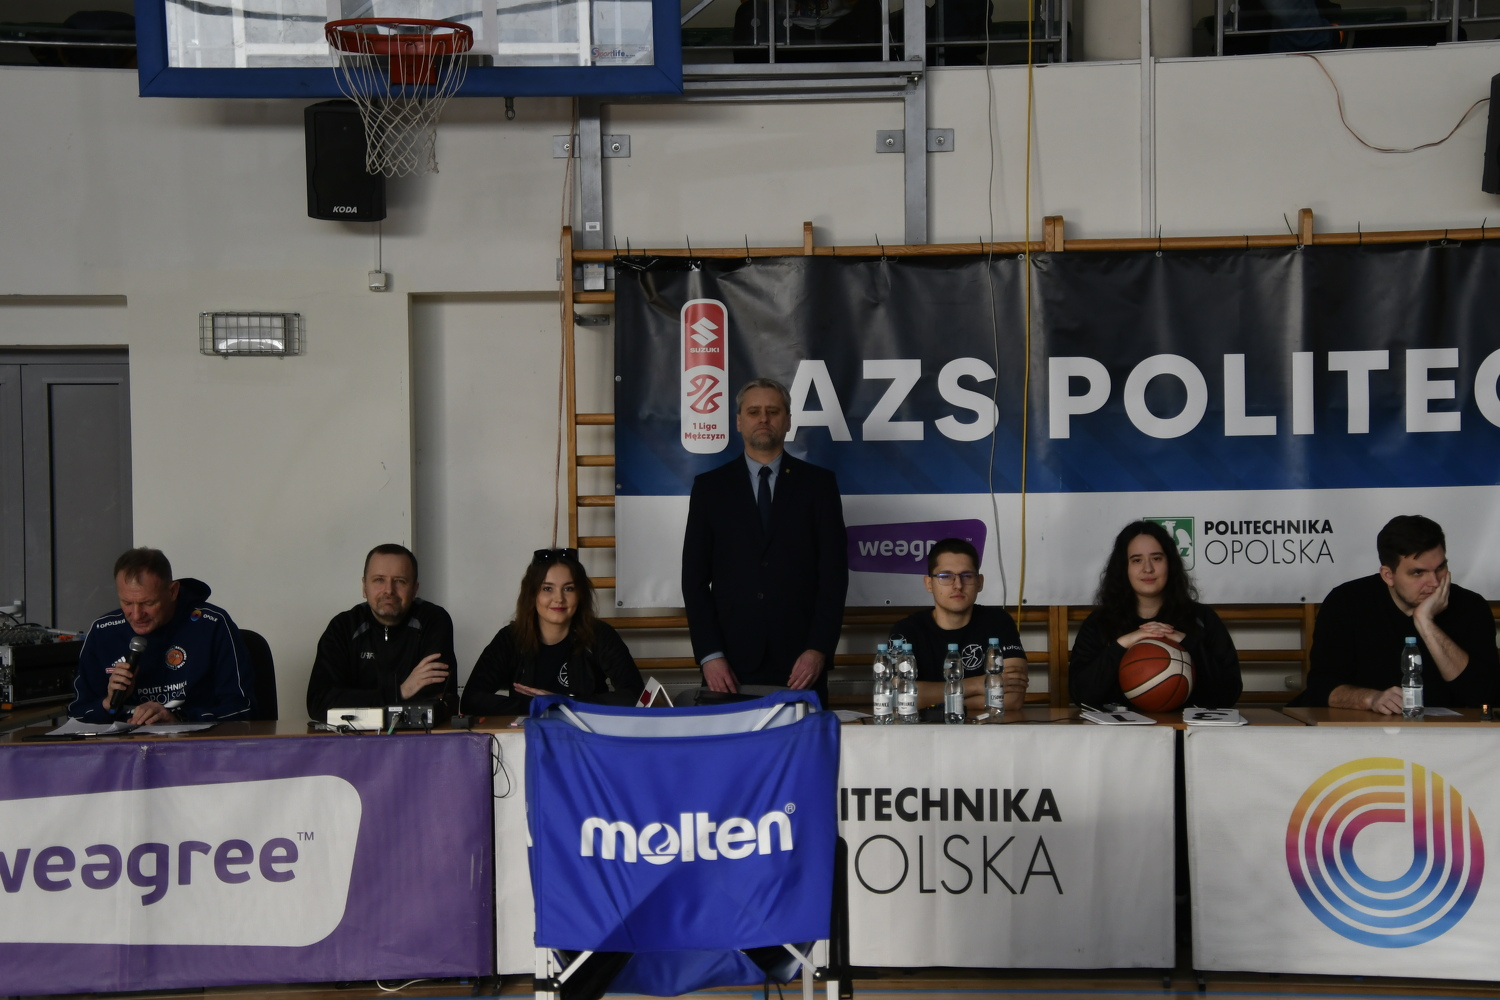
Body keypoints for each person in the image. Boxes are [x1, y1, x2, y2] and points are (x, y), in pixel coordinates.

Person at [682, 378, 848, 705]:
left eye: (773, 411)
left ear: (787, 421)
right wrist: (710, 655)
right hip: (728, 665)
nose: (763, 418)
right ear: (738, 421)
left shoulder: (819, 486)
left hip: (801, 664)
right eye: (753, 411)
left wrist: (818, 649)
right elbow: (694, 580)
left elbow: (834, 576)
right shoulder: (709, 488)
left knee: (802, 740)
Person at [1291, 515, 1499, 713]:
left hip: (1449, 732)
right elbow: (1321, 687)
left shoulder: (1471, 606)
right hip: (1363, 729)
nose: (1435, 583)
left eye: (1440, 568)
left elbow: (1484, 695)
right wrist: (1370, 699)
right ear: (1388, 575)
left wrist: (1425, 622)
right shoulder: (1346, 602)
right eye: (1418, 573)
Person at [69, 547, 254, 724]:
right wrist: (109, 704)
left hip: (193, 742)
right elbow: (77, 715)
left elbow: (242, 709)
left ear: (172, 591)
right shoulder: (103, 631)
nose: (137, 615)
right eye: (127, 603)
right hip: (124, 743)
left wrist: (178, 719)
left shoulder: (212, 624)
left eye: (148, 603)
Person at [1069, 521, 1242, 710]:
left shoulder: (1202, 618)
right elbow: (1081, 695)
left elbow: (1230, 692)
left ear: (1170, 564)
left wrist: (1187, 642)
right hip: (1123, 728)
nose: (1148, 568)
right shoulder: (1099, 623)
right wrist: (1123, 643)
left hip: (1184, 727)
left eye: (1157, 558)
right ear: (1123, 568)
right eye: (1137, 560)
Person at [461, 548, 644, 714]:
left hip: (585, 734)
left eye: (568, 589)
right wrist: (539, 705)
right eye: (547, 588)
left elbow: (637, 696)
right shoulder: (510, 638)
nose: (559, 598)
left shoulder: (600, 634)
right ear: (532, 594)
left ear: (580, 595)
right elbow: (471, 700)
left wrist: (565, 702)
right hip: (529, 734)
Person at [305, 543, 457, 720]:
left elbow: (434, 698)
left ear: (415, 589)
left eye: (400, 581)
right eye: (379, 580)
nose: (389, 590)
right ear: (364, 587)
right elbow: (319, 703)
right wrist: (401, 691)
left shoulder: (433, 621)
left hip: (417, 736)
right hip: (350, 736)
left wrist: (356, 701)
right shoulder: (343, 627)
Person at [887, 538, 1028, 714]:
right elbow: (897, 697)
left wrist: (931, 699)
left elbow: (1012, 699)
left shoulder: (999, 621)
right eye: (945, 576)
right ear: (929, 584)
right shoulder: (906, 630)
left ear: (980, 582)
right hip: (923, 729)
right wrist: (977, 684)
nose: (958, 585)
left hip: (986, 728)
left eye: (967, 576)